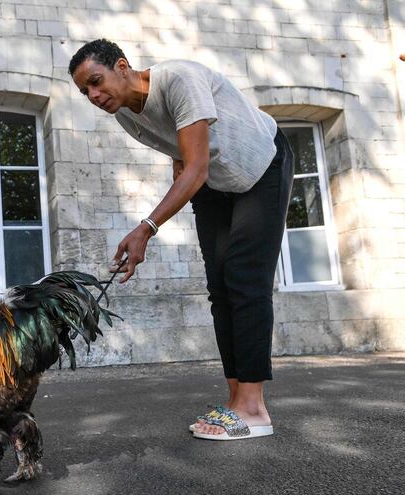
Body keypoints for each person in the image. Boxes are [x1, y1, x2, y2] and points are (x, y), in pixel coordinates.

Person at [69, 39, 294, 441]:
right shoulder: (127, 115)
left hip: (262, 166)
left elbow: (196, 166)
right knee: (219, 287)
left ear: (123, 66)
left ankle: (255, 408)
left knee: (244, 278)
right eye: (85, 91)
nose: (93, 96)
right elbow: (179, 151)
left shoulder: (180, 80)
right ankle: (235, 399)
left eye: (96, 82)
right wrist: (172, 187)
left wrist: (146, 228)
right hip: (214, 181)